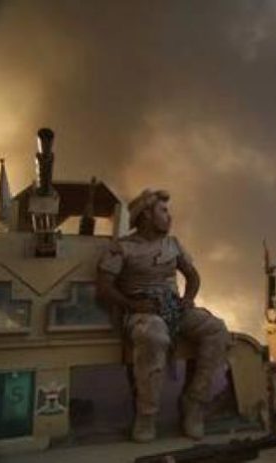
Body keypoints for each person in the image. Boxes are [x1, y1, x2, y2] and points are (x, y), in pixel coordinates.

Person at [97, 189, 229, 443]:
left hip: (174, 308)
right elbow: (104, 287)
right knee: (154, 336)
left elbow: (193, 276)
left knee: (216, 329)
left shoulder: (173, 245)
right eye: (163, 211)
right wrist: (132, 304)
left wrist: (188, 300)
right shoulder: (123, 248)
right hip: (141, 313)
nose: (169, 216)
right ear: (146, 215)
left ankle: (194, 403)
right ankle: (146, 415)